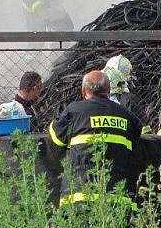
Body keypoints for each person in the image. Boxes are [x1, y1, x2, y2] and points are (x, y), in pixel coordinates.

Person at [47, 70, 143, 206]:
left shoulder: (73, 112)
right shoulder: (126, 115)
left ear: (83, 91)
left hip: (79, 196)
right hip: (118, 198)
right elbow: (135, 139)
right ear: (109, 90)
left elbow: (56, 138)